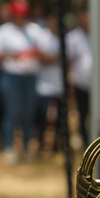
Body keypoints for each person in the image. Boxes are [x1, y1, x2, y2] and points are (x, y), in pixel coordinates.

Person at [0, 0, 51, 163]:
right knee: (13, 112)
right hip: (11, 77)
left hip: (30, 77)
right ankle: (9, 147)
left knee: (28, 113)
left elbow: (45, 52)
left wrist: (36, 53)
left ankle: (28, 147)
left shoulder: (35, 31)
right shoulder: (3, 31)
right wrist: (11, 55)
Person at [33, 12, 64, 154]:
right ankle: (40, 142)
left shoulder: (65, 37)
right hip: (43, 84)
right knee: (42, 116)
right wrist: (57, 59)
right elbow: (41, 57)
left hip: (59, 85)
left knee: (60, 118)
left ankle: (57, 145)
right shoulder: (42, 36)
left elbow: (70, 59)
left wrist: (51, 58)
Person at [65, 10, 91, 148]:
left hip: (95, 84)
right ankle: (83, 138)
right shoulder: (73, 37)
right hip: (79, 83)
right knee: (81, 112)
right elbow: (69, 61)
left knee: (93, 114)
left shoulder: (99, 36)